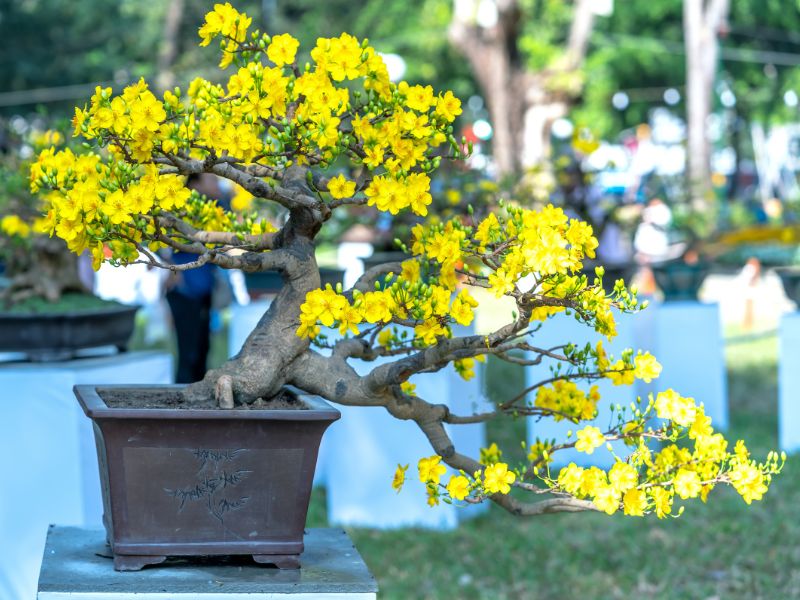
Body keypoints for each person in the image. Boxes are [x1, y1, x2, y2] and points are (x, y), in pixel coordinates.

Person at [165, 173, 222, 383]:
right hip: (184, 293)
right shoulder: (179, 210)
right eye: (212, 179)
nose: (218, 184)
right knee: (188, 355)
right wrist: (173, 271)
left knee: (202, 352)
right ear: (195, 184)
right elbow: (160, 242)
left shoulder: (211, 210)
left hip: (203, 292)